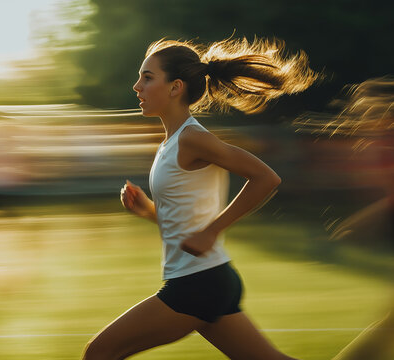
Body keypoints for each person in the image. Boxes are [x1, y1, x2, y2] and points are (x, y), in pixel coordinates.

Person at [82, 37, 318, 360]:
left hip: (196, 283)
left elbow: (266, 178)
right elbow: (184, 221)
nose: (137, 86)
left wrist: (213, 230)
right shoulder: (171, 143)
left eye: (147, 77)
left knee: (99, 353)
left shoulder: (192, 138)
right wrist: (148, 211)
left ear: (175, 87)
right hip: (210, 279)